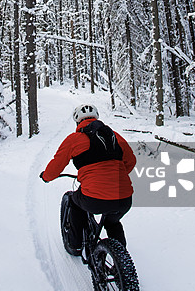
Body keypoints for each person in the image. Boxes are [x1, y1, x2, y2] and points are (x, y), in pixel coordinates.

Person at [40, 104, 136, 251]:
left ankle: (75, 245)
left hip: (94, 199)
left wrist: (46, 177)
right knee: (112, 222)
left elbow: (57, 164)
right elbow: (131, 161)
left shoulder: (74, 139)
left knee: (74, 202)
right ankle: (120, 256)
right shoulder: (114, 136)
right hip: (124, 199)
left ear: (78, 122)